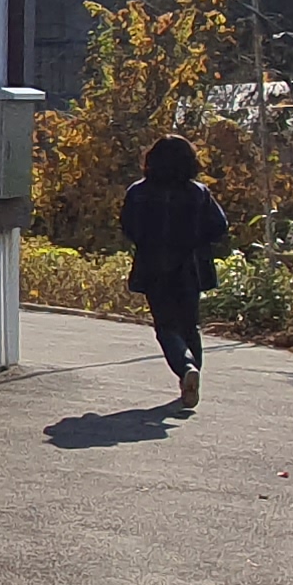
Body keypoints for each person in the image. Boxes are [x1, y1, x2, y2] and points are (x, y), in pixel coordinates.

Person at [117, 133, 232, 412]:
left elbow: (129, 227)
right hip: (190, 266)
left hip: (153, 265)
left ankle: (185, 367)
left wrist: (148, 241)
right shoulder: (198, 192)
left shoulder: (138, 192)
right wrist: (196, 241)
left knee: (166, 325)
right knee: (190, 325)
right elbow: (219, 226)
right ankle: (191, 378)